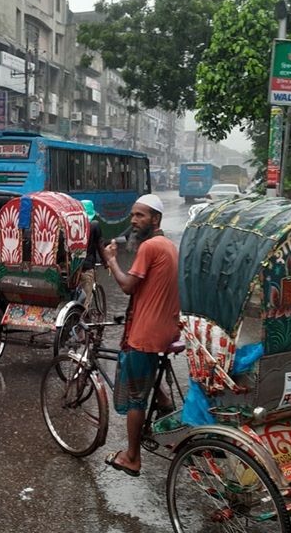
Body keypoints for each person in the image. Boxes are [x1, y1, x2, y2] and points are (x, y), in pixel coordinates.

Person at [101, 194, 181, 477]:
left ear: (155, 219)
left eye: (140, 216)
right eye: (132, 215)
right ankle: (166, 408)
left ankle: (132, 457)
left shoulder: (149, 247)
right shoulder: (168, 245)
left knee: (136, 398)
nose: (133, 221)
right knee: (148, 380)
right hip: (167, 328)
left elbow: (126, 286)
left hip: (147, 334)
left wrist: (111, 261)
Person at [78, 199, 105, 312]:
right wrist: (106, 262)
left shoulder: (73, 225)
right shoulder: (94, 225)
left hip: (72, 269)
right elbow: (100, 246)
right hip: (87, 267)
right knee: (86, 301)